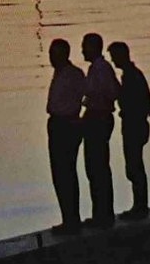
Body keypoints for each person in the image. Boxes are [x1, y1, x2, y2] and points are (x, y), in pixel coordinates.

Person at [109, 41, 150, 220]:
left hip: (134, 126)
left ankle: (140, 206)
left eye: (114, 57)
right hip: (136, 125)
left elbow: (140, 104)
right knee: (135, 166)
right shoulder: (133, 75)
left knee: (134, 166)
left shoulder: (131, 77)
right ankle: (140, 205)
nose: (113, 61)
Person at [45, 38, 87, 234]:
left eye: (55, 54)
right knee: (59, 174)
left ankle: (72, 220)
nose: (51, 58)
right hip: (58, 123)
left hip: (66, 124)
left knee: (66, 172)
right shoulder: (60, 73)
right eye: (51, 54)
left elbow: (86, 95)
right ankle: (68, 218)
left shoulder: (73, 75)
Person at [81, 32, 120, 228]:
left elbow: (112, 91)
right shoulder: (98, 69)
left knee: (97, 168)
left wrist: (97, 101)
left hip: (99, 118)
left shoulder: (101, 69)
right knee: (95, 168)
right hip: (96, 117)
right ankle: (101, 213)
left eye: (84, 46)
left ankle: (103, 215)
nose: (81, 50)